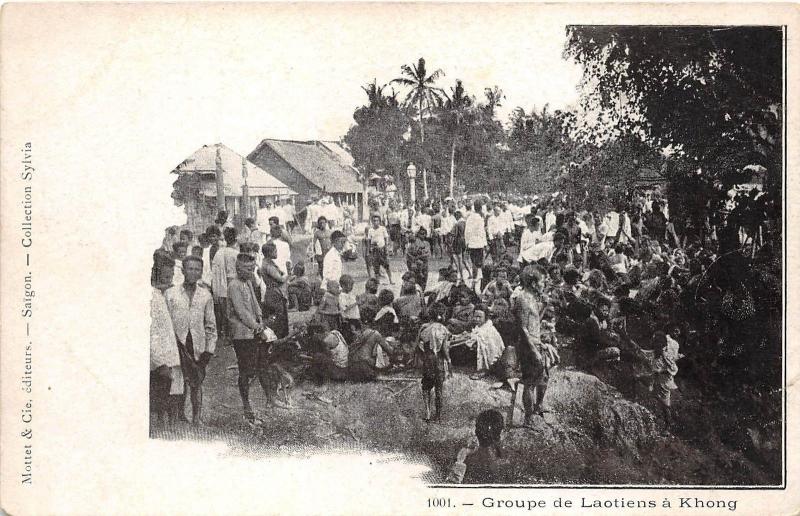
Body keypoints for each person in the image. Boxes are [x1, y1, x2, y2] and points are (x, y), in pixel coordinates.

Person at [164, 255, 217, 424]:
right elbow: (164, 324)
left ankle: (197, 418)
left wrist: (208, 350)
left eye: (197, 269)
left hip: (196, 344)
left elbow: (211, 326)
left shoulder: (205, 295)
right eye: (190, 269)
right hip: (176, 344)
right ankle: (177, 416)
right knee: (177, 381)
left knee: (196, 381)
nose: (193, 272)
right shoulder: (171, 294)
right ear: (183, 270)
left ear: (201, 272)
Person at [228, 253, 276, 421]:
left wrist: (261, 320)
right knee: (246, 371)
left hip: (255, 331)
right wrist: (257, 327)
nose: (251, 271)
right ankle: (246, 405)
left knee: (263, 365)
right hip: (242, 334)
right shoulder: (234, 285)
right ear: (238, 268)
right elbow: (241, 312)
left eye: (252, 268)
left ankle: (270, 399)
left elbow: (255, 305)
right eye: (247, 269)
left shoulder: (248, 282)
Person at [512, 266, 559, 427]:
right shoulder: (523, 300)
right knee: (530, 382)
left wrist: (544, 307)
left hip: (536, 342)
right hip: (528, 345)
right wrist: (533, 351)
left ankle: (538, 405)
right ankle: (528, 418)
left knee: (544, 377)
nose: (544, 285)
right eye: (542, 282)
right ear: (533, 283)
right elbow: (522, 328)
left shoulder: (532, 298)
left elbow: (535, 321)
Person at [150, 252, 184, 425]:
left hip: (167, 357)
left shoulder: (163, 295)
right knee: (157, 396)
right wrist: (160, 362)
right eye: (165, 277)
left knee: (168, 391)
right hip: (158, 361)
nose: (169, 281)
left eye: (171, 277)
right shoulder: (152, 298)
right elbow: (152, 333)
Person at [447, 409, 508, 483]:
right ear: (501, 433)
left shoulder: (466, 460)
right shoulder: (507, 463)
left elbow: (451, 487)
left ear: (476, 432)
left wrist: (459, 462)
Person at [418, 303, 452, 422]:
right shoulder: (443, 330)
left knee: (426, 387)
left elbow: (418, 345)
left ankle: (427, 412)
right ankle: (438, 416)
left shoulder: (423, 327)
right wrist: (449, 361)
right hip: (439, 363)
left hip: (428, 361)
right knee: (439, 390)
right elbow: (444, 349)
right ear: (442, 315)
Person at [211, 227, 239, 340]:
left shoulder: (219, 253)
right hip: (232, 283)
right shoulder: (235, 253)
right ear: (235, 239)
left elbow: (215, 273)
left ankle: (227, 335)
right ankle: (232, 336)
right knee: (234, 311)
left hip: (221, 287)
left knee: (226, 313)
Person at [260, 241, 289, 339]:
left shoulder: (268, 262)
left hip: (273, 292)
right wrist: (286, 275)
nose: (276, 253)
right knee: (279, 318)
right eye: (275, 251)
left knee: (279, 317)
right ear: (269, 253)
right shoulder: (268, 265)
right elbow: (280, 278)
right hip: (274, 293)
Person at [465, 200, 488, 290]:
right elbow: (482, 232)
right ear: (481, 208)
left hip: (471, 243)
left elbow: (467, 231)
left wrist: (467, 242)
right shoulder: (479, 218)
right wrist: (485, 244)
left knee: (474, 262)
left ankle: (475, 280)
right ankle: (479, 281)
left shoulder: (470, 217)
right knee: (480, 263)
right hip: (479, 243)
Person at [367, 214, 393, 284]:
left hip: (382, 249)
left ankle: (391, 280)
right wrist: (369, 250)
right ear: (372, 222)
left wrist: (386, 248)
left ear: (379, 221)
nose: (375, 222)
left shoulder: (382, 228)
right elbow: (369, 241)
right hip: (374, 250)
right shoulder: (370, 230)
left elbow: (386, 238)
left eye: (377, 220)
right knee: (376, 266)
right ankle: (377, 281)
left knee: (387, 265)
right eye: (374, 221)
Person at [339, 274, 360, 342]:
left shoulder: (350, 293)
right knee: (353, 333)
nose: (351, 287)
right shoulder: (342, 296)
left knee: (357, 332)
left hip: (355, 316)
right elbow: (345, 308)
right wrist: (356, 303)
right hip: (349, 318)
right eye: (350, 285)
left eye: (352, 285)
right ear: (343, 286)